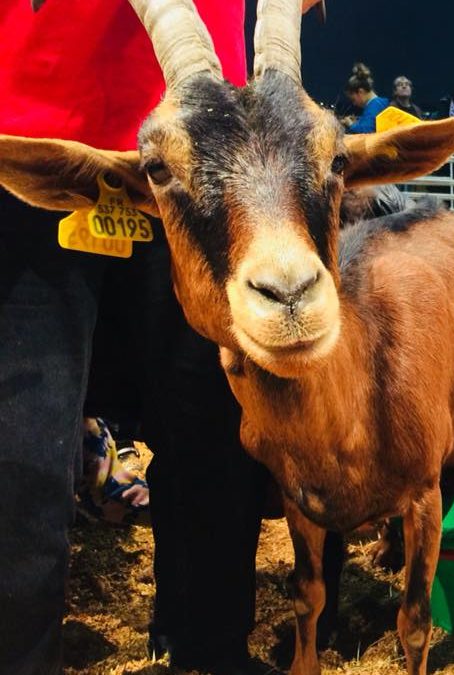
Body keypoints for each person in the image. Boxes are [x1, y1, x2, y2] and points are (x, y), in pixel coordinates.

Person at [0, 2, 272, 673]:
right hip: (37, 142)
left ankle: (206, 647)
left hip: (197, 145)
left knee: (213, 426)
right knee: (24, 452)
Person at [342, 62, 389, 134]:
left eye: (353, 99)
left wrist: (350, 124)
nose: (354, 104)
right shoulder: (381, 102)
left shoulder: (374, 106)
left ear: (360, 92)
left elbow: (367, 132)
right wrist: (359, 120)